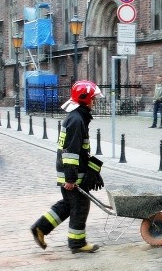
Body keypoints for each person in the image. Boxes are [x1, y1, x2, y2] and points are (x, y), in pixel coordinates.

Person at [30, 81, 105, 253]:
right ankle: (77, 243)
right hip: (72, 174)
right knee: (80, 206)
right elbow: (71, 152)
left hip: (72, 172)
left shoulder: (77, 117)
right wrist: (71, 179)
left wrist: (92, 168)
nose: (94, 101)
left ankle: (40, 227)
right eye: (93, 98)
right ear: (85, 99)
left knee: (67, 205)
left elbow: (78, 149)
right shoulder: (77, 120)